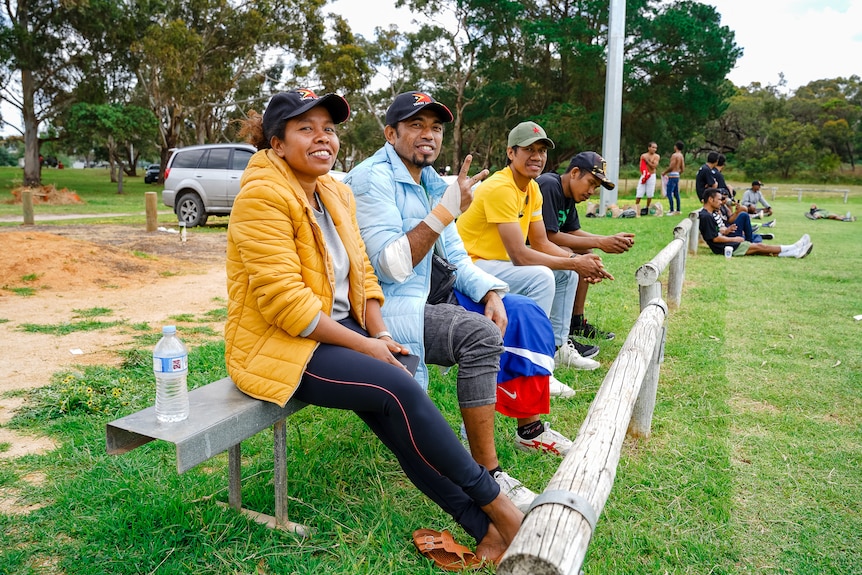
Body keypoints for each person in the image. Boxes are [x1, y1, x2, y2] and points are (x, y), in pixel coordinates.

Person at [224, 89, 523, 568]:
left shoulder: (333, 191)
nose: (323, 138)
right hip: (281, 344)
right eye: (306, 128)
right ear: (277, 144)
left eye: (329, 128)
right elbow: (287, 307)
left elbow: (363, 275)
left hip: (337, 328)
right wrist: (366, 344)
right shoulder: (262, 196)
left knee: (396, 402)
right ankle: (504, 512)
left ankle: (483, 526)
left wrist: (380, 334)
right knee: (396, 387)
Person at [347, 91, 576, 512]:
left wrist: (491, 292)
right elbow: (389, 268)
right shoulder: (371, 179)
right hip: (390, 304)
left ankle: (530, 430)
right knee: (479, 335)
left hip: (432, 290)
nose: (427, 135)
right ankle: (488, 474)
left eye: (435, 127)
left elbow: (456, 257)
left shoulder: (432, 181)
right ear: (390, 133)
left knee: (523, 311)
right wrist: (444, 211)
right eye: (416, 126)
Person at [457, 121, 613, 372]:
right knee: (541, 276)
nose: (537, 157)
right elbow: (520, 255)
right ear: (511, 153)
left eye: (542, 151)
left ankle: (557, 347)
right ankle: (531, 361)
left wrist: (580, 263)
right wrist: (575, 261)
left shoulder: (532, 188)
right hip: (469, 264)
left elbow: (541, 242)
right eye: (529, 150)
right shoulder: (501, 187)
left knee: (566, 273)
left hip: (495, 263)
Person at [536, 151, 633, 350]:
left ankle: (576, 322)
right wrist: (600, 241)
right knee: (568, 251)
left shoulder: (569, 195)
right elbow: (548, 236)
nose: (591, 191)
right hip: (522, 251)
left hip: (539, 249)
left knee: (586, 251)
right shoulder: (549, 185)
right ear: (574, 173)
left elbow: (573, 230)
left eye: (596, 187)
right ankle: (557, 335)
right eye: (590, 182)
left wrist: (605, 241)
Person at [699, 189, 812, 257]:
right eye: (719, 199)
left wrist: (726, 231)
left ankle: (795, 251)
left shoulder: (710, 213)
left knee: (759, 250)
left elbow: (717, 232)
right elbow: (715, 239)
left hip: (724, 245)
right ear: (710, 199)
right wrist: (734, 239)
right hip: (723, 247)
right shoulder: (706, 216)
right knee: (760, 246)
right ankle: (794, 247)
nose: (721, 202)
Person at [634, 142, 660, 216]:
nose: (654, 149)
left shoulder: (656, 156)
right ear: (649, 148)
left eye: (655, 148)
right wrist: (645, 174)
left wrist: (647, 161)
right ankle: (636, 207)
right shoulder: (644, 155)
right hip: (644, 174)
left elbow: (654, 166)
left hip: (651, 175)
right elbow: (641, 166)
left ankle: (647, 207)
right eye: (653, 147)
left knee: (650, 192)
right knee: (639, 191)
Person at [662, 141, 685, 215]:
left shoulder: (674, 155)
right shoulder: (681, 156)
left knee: (669, 193)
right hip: (677, 175)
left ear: (676, 147)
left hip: (672, 175)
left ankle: (672, 209)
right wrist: (678, 173)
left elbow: (671, 166)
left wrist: (665, 172)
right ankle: (678, 209)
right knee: (676, 194)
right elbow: (683, 168)